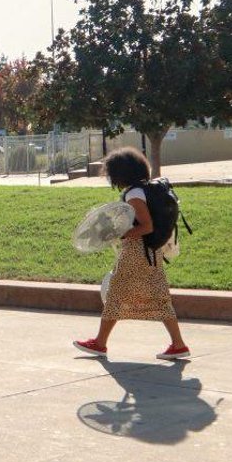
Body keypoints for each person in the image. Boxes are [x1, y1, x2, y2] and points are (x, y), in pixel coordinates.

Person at [74, 147, 190, 360]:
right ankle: (179, 344)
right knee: (158, 296)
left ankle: (99, 344)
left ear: (121, 172)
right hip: (150, 251)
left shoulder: (134, 194)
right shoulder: (141, 190)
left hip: (137, 252)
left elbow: (146, 226)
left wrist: (121, 235)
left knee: (116, 294)